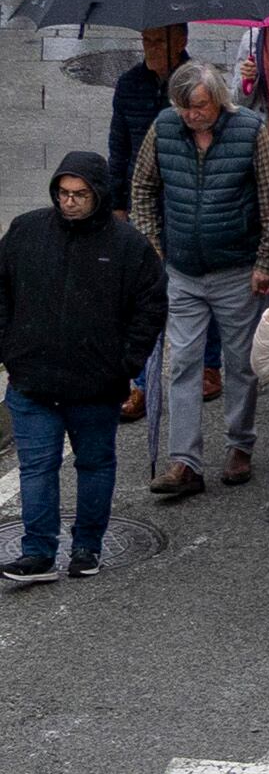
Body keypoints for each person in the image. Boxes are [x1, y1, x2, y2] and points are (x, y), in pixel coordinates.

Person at [125, 55, 269, 498]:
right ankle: (185, 462)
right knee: (184, 363)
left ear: (219, 102)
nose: (191, 115)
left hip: (238, 270)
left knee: (240, 364)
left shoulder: (249, 130)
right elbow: (143, 187)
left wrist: (268, 261)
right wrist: (154, 247)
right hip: (184, 271)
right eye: (184, 107)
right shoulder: (164, 128)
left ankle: (240, 446)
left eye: (199, 107)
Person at [1, 150, 158, 582]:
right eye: (63, 194)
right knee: (37, 468)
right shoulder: (25, 231)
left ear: (99, 195)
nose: (69, 202)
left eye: (79, 195)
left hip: (95, 387)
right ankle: (38, 552)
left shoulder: (128, 246)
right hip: (32, 381)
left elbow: (150, 308)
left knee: (94, 466)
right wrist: (8, 350)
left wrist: (124, 363)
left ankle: (87, 547)